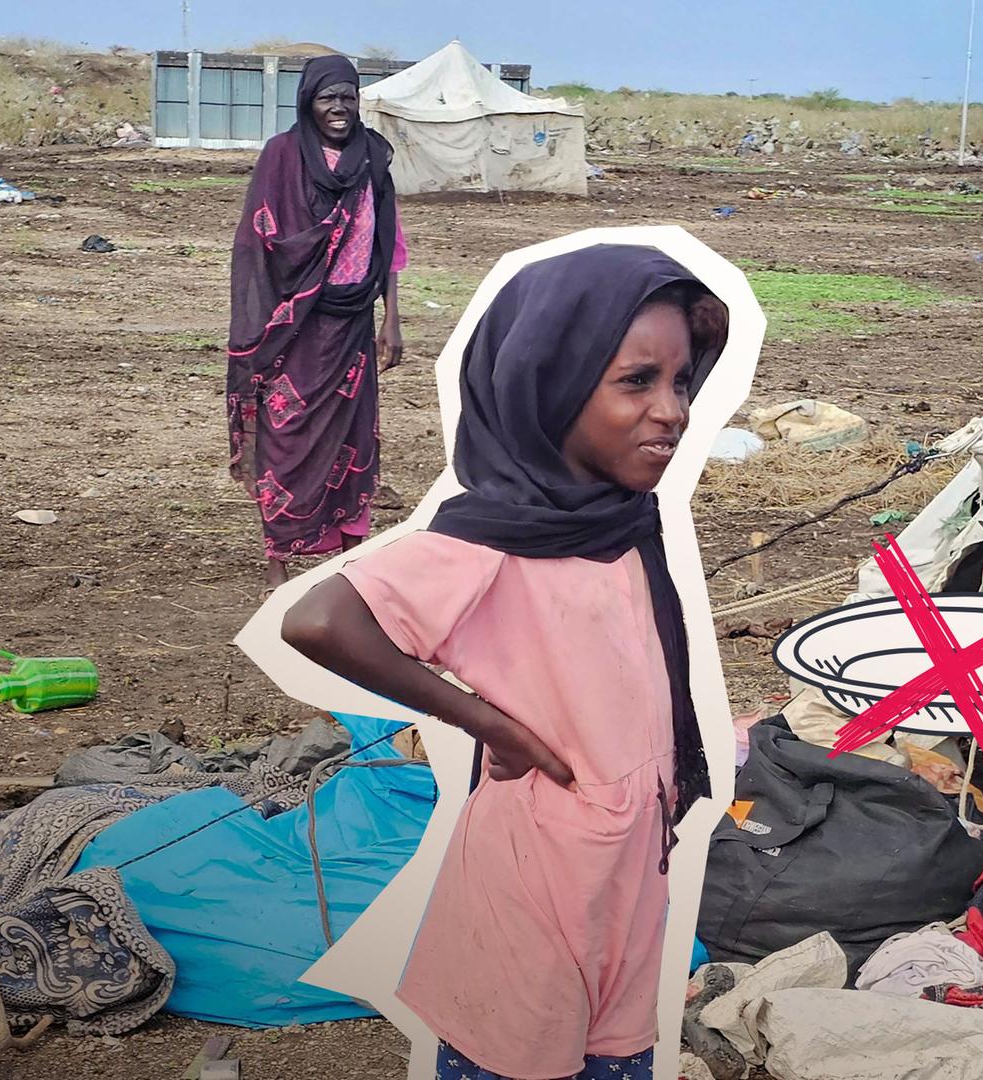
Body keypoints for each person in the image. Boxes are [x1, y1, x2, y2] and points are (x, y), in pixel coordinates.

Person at [280, 244, 730, 1080]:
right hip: (537, 869)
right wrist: (489, 723)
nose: (672, 411)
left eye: (682, 382)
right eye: (637, 381)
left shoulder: (618, 522)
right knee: (521, 1051)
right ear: (547, 385)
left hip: (628, 859)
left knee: (613, 1052)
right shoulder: (493, 540)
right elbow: (320, 621)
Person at [227, 55, 406, 596]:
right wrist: (273, 310)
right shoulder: (282, 155)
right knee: (287, 436)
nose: (340, 108)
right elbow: (260, 238)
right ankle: (278, 560)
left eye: (348, 96)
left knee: (354, 437)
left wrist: (391, 318)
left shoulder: (372, 155)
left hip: (354, 322)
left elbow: (388, 239)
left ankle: (350, 556)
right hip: (295, 323)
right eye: (329, 97)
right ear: (308, 101)